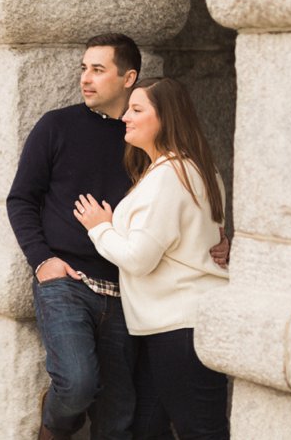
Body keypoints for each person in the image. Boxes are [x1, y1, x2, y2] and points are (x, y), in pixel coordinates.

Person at [6, 34, 229, 440]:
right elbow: (21, 199)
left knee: (122, 416)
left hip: (128, 293)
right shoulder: (57, 126)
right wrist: (43, 261)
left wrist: (212, 238)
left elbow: (176, 211)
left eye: (98, 69)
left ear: (129, 78)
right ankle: (55, 427)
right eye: (83, 68)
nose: (85, 79)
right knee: (76, 386)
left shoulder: (144, 145)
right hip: (67, 281)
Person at [73, 76, 231, 439]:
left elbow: (139, 258)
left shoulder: (169, 176)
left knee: (201, 431)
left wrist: (100, 227)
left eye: (137, 109)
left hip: (179, 327)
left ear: (166, 117)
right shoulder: (193, 169)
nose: (126, 116)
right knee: (147, 428)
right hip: (170, 326)